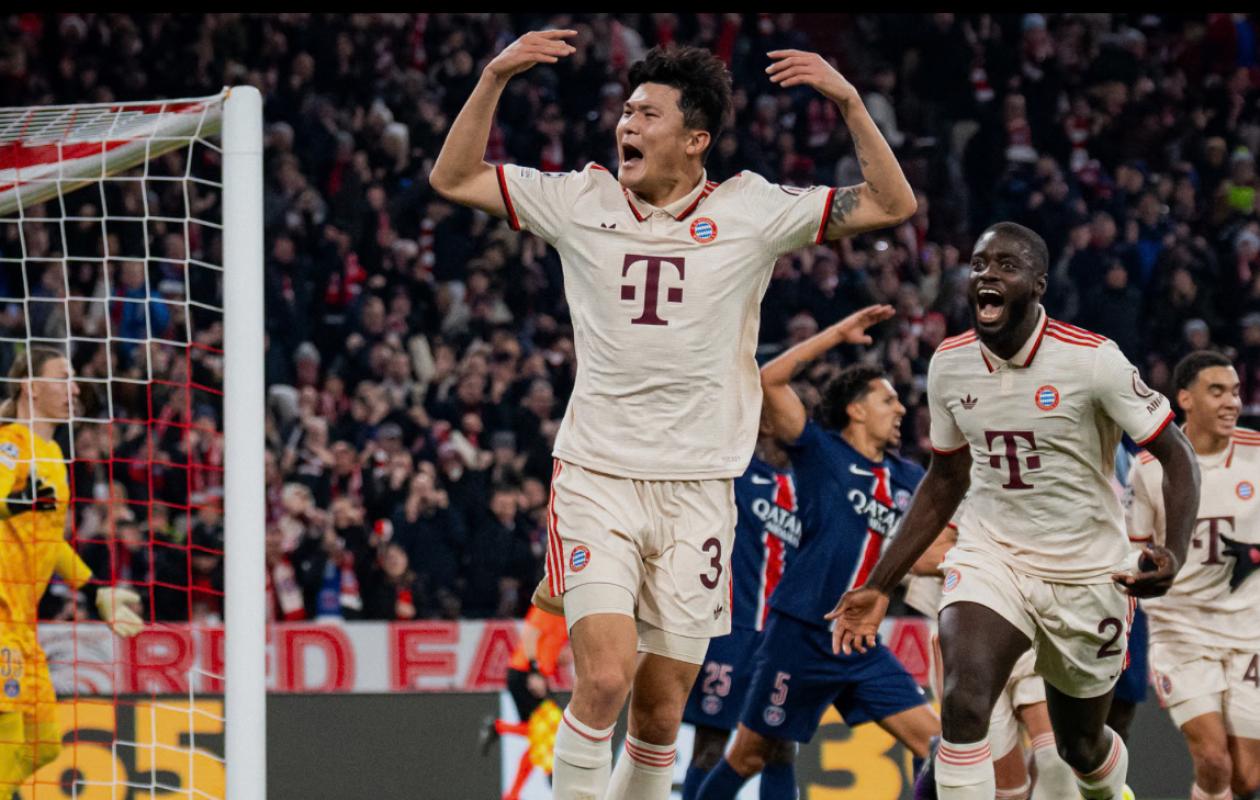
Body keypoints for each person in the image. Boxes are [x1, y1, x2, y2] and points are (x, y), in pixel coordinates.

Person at [431, 29, 916, 799]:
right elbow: (454, 176)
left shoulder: (752, 209)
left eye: (647, 113)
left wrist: (849, 101)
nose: (626, 124)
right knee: (604, 680)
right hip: (598, 479)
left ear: (695, 139)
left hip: (699, 489)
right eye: (625, 110)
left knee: (661, 714)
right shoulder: (579, 198)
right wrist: (493, 76)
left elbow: (894, 203)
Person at [829, 221, 1201, 800]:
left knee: (1080, 748)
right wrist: (880, 583)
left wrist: (1173, 552)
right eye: (979, 265)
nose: (987, 276)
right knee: (963, 702)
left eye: (1005, 265)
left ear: (1038, 284)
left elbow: (1177, 455)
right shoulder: (950, 363)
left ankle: (1111, 792)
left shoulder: (1093, 361)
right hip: (991, 557)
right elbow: (945, 478)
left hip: (1087, 571)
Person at [697, 310, 941, 799]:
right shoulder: (822, 453)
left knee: (940, 748)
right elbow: (771, 380)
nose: (900, 410)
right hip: (800, 635)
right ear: (855, 410)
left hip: (860, 643)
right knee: (751, 755)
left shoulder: (909, 479)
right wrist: (835, 334)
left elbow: (928, 554)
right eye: (887, 400)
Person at [0, 348, 144, 786]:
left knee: (43, 744)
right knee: (7, 738)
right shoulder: (11, 443)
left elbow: (50, 540)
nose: (75, 387)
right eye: (62, 377)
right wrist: (14, 502)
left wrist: (95, 588)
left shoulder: (54, 461)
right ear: (31, 388)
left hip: (23, 623)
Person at [1127, 351, 1260, 800]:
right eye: (1217, 391)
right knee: (1213, 758)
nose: (1231, 402)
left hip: (1250, 632)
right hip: (1181, 630)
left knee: (1246, 778)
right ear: (1184, 398)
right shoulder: (1149, 468)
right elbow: (1135, 549)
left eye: (1236, 392)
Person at [905, 514, 1077, 800]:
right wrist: (992, 562)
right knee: (1008, 794)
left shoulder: (1058, 485)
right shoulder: (973, 480)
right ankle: (940, 761)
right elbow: (922, 557)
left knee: (1055, 761)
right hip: (970, 642)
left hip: (1038, 632)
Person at [681, 426, 802, 800]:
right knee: (711, 743)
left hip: (782, 636)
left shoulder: (810, 486)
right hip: (731, 631)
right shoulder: (738, 471)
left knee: (781, 746)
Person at [480, 605, 570, 799]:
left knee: (537, 733)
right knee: (553, 726)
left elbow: (549, 648)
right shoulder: (548, 606)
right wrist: (534, 670)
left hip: (534, 675)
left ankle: (512, 794)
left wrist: (563, 658)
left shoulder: (565, 613)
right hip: (525, 674)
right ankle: (499, 728)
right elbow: (529, 635)